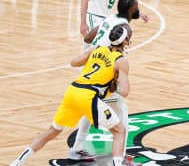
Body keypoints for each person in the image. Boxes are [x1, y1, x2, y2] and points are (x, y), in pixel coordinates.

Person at [10, 24, 132, 166]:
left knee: (52, 131)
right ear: (125, 41)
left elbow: (74, 63)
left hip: (72, 91)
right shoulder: (121, 61)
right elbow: (124, 92)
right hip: (88, 96)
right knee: (119, 131)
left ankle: (17, 162)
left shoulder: (96, 48)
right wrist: (114, 83)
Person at [70, 0, 143, 161]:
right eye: (137, 7)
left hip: (89, 66)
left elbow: (88, 38)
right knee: (121, 111)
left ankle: (77, 148)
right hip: (102, 71)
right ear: (131, 10)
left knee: (90, 106)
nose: (138, 9)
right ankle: (121, 158)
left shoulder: (111, 18)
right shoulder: (124, 28)